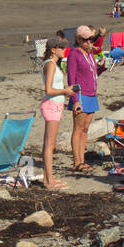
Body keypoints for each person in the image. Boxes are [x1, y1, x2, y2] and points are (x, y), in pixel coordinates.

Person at [39, 37, 74, 189]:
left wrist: (65, 92)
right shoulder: (50, 64)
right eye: (61, 48)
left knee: (49, 144)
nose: (64, 50)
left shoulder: (54, 64)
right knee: (49, 145)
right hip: (51, 105)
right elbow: (48, 90)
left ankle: (48, 178)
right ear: (54, 49)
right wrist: (65, 91)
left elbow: (54, 87)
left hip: (55, 104)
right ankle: (49, 181)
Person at [66, 26, 100, 172]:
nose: (89, 42)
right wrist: (75, 100)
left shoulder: (89, 53)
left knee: (85, 129)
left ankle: (82, 160)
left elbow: (94, 72)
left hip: (92, 94)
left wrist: (102, 67)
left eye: (91, 39)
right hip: (81, 95)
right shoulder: (75, 54)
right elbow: (71, 79)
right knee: (78, 129)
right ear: (79, 39)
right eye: (86, 39)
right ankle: (77, 162)